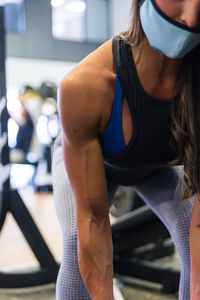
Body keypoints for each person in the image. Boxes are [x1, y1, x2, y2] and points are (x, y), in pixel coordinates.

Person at [52, 0, 200, 299]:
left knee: (189, 231)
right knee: (74, 239)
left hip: (155, 168)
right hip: (97, 162)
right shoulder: (85, 85)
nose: (191, 16)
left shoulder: (194, 83)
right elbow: (93, 217)